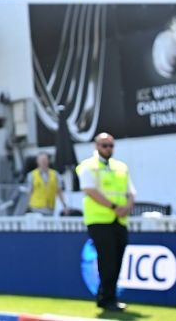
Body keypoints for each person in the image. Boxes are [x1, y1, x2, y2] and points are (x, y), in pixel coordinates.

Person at [77, 132, 134, 312]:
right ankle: (109, 298)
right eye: (104, 145)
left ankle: (106, 296)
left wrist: (127, 206)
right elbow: (90, 190)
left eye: (110, 145)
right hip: (99, 220)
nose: (108, 148)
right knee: (107, 260)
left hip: (120, 219)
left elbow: (131, 191)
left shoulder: (121, 167)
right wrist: (113, 206)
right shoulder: (88, 166)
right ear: (96, 146)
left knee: (117, 259)